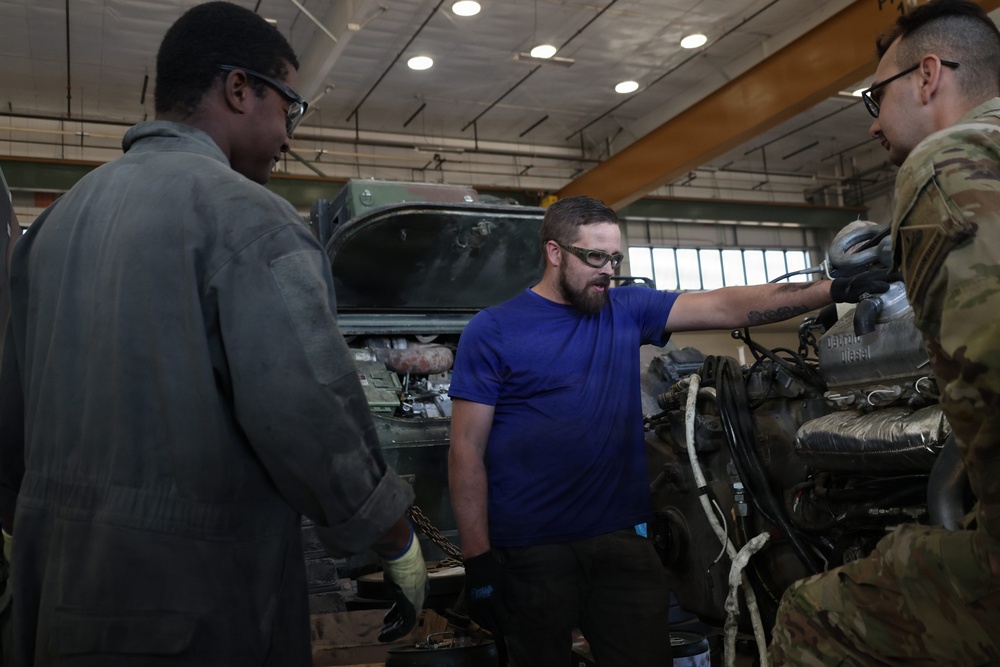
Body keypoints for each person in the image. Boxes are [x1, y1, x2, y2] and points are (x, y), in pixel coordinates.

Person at [0, 2, 427, 665]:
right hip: (192, 608)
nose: (288, 137)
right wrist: (391, 533)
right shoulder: (252, 219)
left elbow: (11, 422)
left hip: (49, 600)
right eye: (289, 107)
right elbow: (310, 412)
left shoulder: (53, 226)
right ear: (238, 88)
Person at [447, 194, 890, 666]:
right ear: (555, 252)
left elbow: (724, 306)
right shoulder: (493, 331)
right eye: (594, 257)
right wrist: (478, 562)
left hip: (621, 544)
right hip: (532, 550)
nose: (607, 271)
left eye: (614, 258)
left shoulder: (624, 309)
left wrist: (830, 291)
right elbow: (465, 452)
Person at [769, 1, 1000, 664]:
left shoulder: (945, 160)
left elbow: (987, 365)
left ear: (928, 76)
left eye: (877, 95)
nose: (872, 123)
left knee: (812, 612)